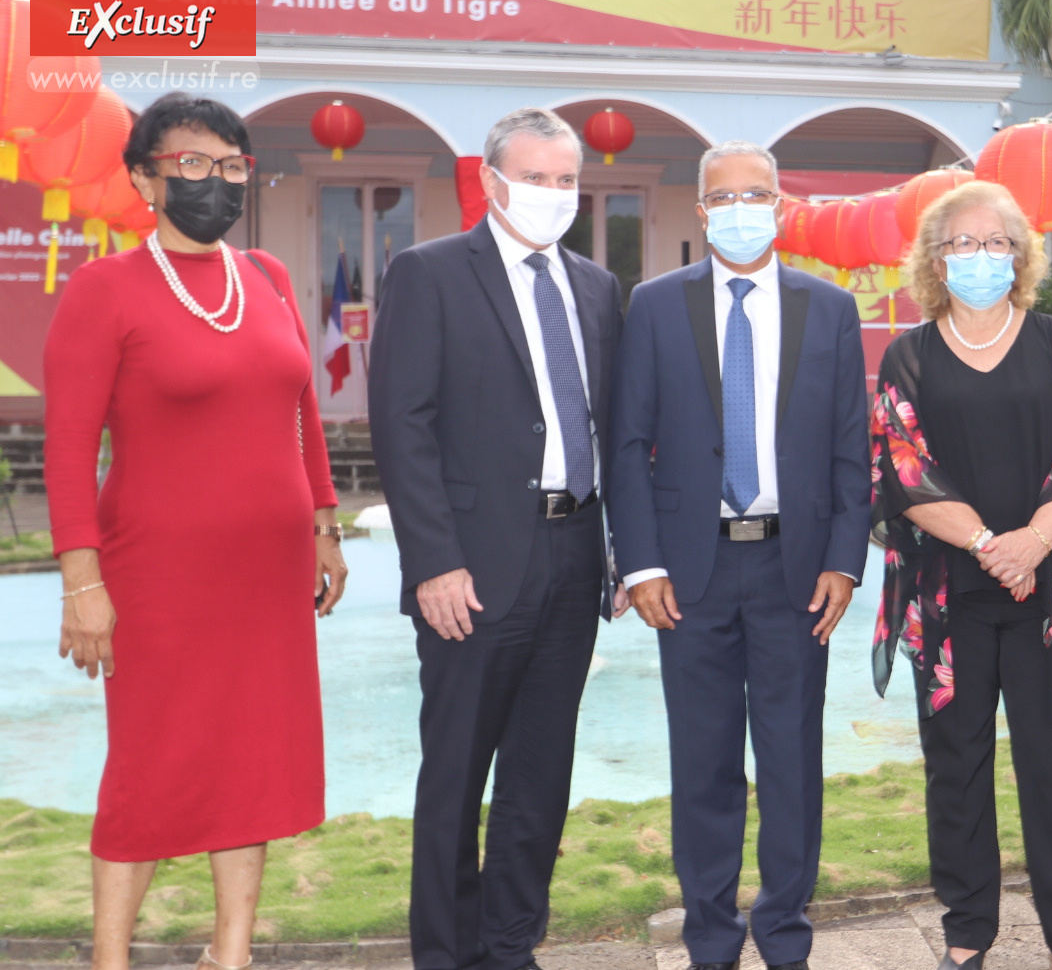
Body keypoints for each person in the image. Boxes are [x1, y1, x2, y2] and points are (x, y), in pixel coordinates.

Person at [42, 91, 347, 970]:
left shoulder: (269, 278)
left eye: (229, 165)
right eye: (190, 164)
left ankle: (233, 952)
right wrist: (82, 584)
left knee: (250, 762)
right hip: (157, 579)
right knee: (151, 767)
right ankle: (110, 959)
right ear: (145, 176)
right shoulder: (103, 290)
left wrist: (324, 525)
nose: (213, 181)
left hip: (268, 576)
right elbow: (68, 455)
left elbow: (301, 412)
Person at [369, 107, 625, 970]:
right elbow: (402, 427)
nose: (554, 195)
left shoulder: (596, 287)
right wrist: (434, 561)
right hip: (472, 571)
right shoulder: (429, 273)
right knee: (455, 778)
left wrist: (621, 554)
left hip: (572, 554)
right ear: (491, 180)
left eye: (567, 181)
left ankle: (511, 946)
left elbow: (609, 424)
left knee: (539, 776)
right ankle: (446, 954)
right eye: (537, 178)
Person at [610, 141, 870, 970]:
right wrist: (640, 564)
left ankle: (787, 937)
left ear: (781, 203)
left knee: (793, 761)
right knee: (704, 764)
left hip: (797, 570)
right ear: (699, 211)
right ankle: (711, 940)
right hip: (690, 573)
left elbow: (847, 450)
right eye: (723, 198)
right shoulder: (654, 305)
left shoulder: (828, 309)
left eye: (756, 194)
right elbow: (627, 443)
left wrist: (845, 559)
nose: (741, 209)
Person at [869, 180, 1052, 970]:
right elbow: (901, 469)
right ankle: (967, 930)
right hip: (949, 600)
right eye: (963, 244)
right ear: (936, 261)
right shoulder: (908, 355)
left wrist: (1033, 544)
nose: (981, 257)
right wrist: (989, 545)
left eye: (996, 242)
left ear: (1020, 255)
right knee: (957, 765)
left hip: (1048, 594)